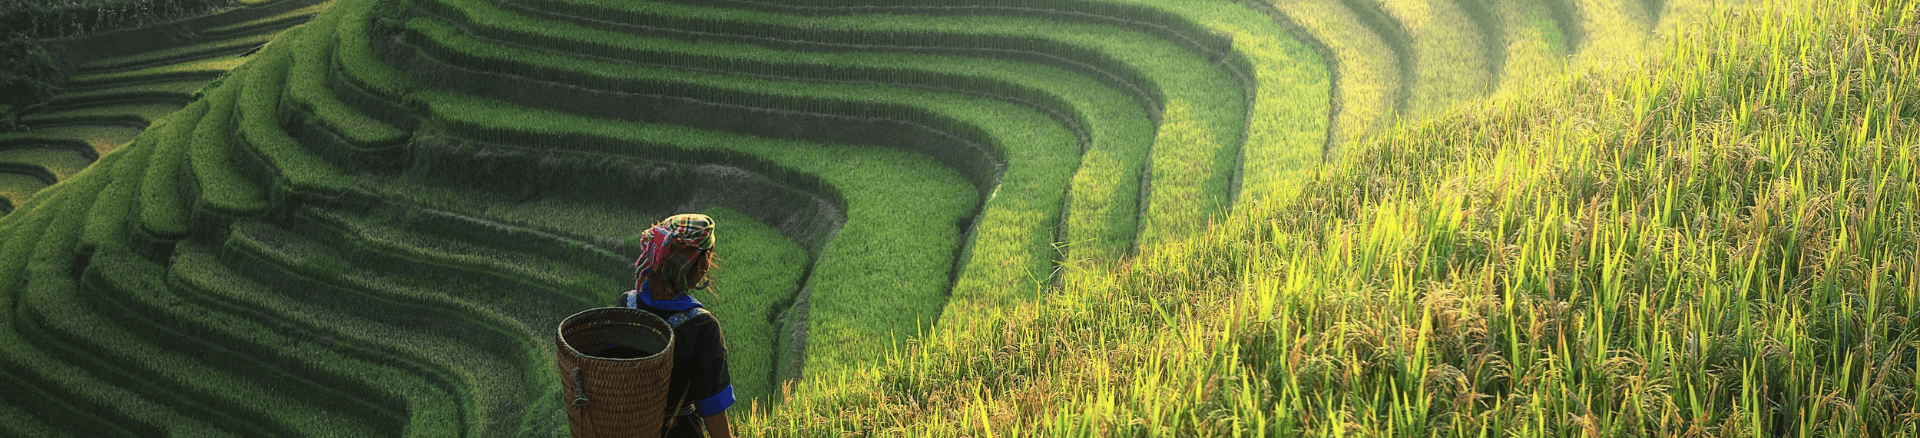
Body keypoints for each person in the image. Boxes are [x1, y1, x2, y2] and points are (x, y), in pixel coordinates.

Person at [614, 213, 734, 438]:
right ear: (699, 263)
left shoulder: (626, 305)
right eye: (707, 257)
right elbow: (712, 408)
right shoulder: (702, 326)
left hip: (626, 429)